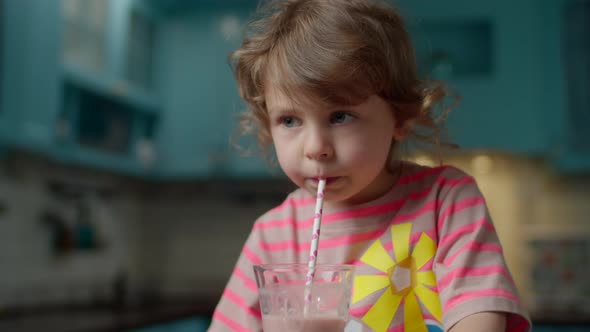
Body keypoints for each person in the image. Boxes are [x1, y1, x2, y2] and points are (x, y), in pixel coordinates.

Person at [208, 0, 531, 331]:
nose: (316, 147)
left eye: (340, 116)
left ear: (399, 117)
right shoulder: (272, 237)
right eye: (289, 120)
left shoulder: (446, 203)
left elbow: (478, 318)